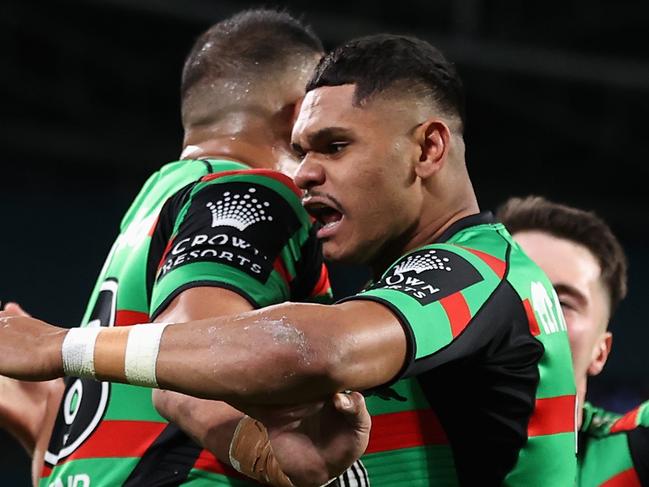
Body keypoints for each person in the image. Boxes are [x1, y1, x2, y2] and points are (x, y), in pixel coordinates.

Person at [0, 34, 578, 486]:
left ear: (428, 149)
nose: (302, 173)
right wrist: (273, 458)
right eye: (300, 151)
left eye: (335, 146)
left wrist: (61, 347)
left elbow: (309, 349)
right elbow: (184, 385)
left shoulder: (477, 270)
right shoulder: (406, 312)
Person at [0, 9, 372, 487]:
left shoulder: (154, 209)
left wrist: (42, 422)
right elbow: (187, 379)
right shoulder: (252, 192)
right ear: (299, 112)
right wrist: (288, 465)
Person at [497, 196, 649, 487]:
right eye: (510, 289)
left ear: (600, 352)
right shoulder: (398, 443)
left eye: (561, 302)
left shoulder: (631, 454)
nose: (529, 311)